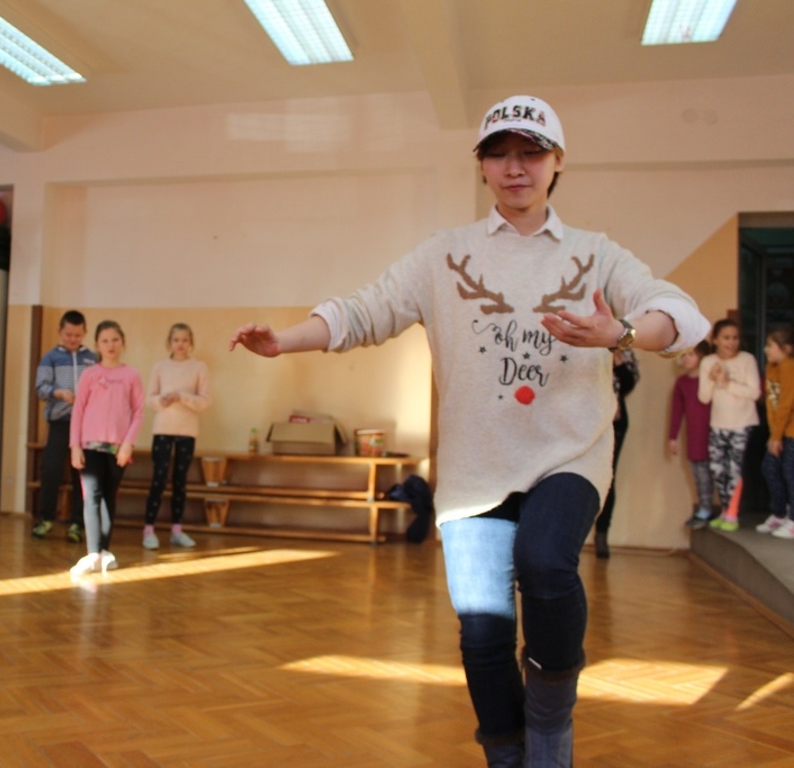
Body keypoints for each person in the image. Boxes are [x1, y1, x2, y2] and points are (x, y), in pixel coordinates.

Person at [229, 94, 709, 767]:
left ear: (557, 162)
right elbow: (365, 310)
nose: (515, 168)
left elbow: (679, 316)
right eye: (499, 154)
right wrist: (283, 340)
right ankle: (506, 754)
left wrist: (621, 332)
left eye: (530, 153)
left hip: (568, 454)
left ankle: (549, 730)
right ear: (481, 165)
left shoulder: (595, 254)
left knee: (545, 561)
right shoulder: (443, 255)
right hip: (474, 470)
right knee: (482, 634)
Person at [69, 320, 143, 576]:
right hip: (89, 446)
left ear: (122, 342)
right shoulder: (90, 374)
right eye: (105, 341)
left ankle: (104, 552)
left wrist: (127, 444)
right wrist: (74, 446)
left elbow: (138, 412)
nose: (110, 345)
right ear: (97, 345)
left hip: (117, 449)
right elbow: (78, 411)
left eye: (115, 340)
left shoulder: (131, 375)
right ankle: (93, 553)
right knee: (92, 497)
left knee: (109, 498)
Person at [142, 322, 211, 549]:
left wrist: (182, 396)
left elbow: (204, 402)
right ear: (169, 342)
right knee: (158, 479)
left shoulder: (199, 367)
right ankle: (149, 530)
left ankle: (177, 530)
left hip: (187, 431)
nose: (180, 344)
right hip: (163, 429)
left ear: (190, 343)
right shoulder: (159, 367)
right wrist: (162, 400)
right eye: (176, 340)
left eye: (184, 340)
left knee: (180, 481)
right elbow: (149, 400)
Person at [33, 310, 97, 542]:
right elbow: (40, 388)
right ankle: (46, 519)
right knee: (51, 470)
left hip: (86, 426)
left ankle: (78, 523)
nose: (72, 339)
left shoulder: (92, 358)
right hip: (59, 423)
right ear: (60, 332)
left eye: (77, 335)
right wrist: (58, 393)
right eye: (68, 335)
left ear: (84, 333)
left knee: (83, 473)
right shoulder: (50, 358)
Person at [698, 318, 761, 532]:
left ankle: (732, 513)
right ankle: (725, 510)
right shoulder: (708, 362)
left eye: (735, 338)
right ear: (715, 340)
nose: (731, 342)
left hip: (742, 423)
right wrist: (712, 378)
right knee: (718, 469)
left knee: (734, 469)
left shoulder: (747, 360)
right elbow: (704, 397)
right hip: (718, 424)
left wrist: (726, 383)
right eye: (726, 338)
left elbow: (754, 393)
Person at [592, 348, 639, 558]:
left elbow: (629, 384)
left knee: (608, 479)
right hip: (585, 420)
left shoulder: (623, 346)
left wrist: (618, 363)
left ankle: (602, 534)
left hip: (615, 423)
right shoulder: (581, 342)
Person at [669, 341, 715, 528]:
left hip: (713, 433)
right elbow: (677, 411)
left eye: (691, 354)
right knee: (699, 473)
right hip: (694, 436)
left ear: (702, 356)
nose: (686, 359)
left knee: (714, 473)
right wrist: (672, 437)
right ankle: (705, 507)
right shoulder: (682, 383)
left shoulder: (710, 379)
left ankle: (716, 509)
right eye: (684, 355)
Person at [757, 326, 794, 538]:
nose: (766, 349)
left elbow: (786, 404)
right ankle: (780, 513)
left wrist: (776, 436)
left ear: (786, 349)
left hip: (790, 432)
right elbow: (772, 403)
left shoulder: (789, 366)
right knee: (770, 468)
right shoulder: (772, 367)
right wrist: (774, 435)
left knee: (790, 473)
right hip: (779, 432)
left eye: (770, 345)